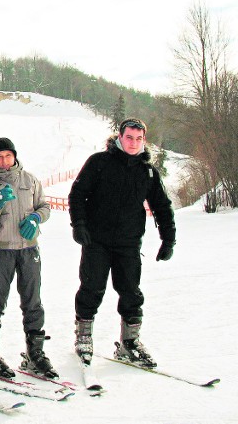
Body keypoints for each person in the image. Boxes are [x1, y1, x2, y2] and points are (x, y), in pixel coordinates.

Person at [68, 117, 176, 368]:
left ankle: (130, 341)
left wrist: (168, 239)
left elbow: (162, 205)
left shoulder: (147, 171)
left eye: (139, 139)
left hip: (128, 242)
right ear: (119, 136)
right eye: (129, 137)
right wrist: (79, 225)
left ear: (144, 140)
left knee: (130, 290)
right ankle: (83, 336)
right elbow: (78, 194)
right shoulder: (99, 162)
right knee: (92, 287)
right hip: (97, 240)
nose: (133, 143)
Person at [0, 138, 57, 379]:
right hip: (2, 250)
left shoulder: (29, 180)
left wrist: (35, 218)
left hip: (29, 250)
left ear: (15, 156)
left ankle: (35, 353)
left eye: (8, 156)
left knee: (32, 301)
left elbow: (45, 206)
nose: (4, 161)